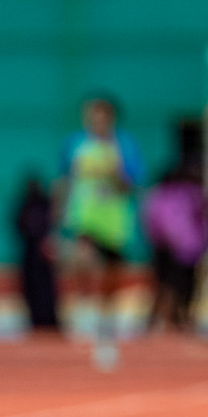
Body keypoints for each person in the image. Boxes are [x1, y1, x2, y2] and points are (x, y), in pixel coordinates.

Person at [56, 96, 143, 368]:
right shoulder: (75, 144)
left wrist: (116, 173)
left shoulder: (125, 145)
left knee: (111, 277)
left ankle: (106, 323)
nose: (97, 121)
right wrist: (58, 214)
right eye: (92, 115)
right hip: (84, 218)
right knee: (85, 260)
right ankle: (85, 311)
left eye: (102, 116)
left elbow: (133, 183)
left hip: (114, 222)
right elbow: (63, 180)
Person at [142, 157, 207, 333]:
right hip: (177, 249)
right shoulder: (182, 195)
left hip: (178, 248)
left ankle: (173, 319)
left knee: (176, 287)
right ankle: (164, 319)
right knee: (172, 287)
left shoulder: (161, 195)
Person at [15, 176, 61, 333]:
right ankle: (36, 319)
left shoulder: (44, 204)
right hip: (30, 253)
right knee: (32, 288)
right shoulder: (25, 205)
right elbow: (18, 225)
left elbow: (52, 225)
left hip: (43, 254)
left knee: (46, 289)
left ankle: (49, 319)